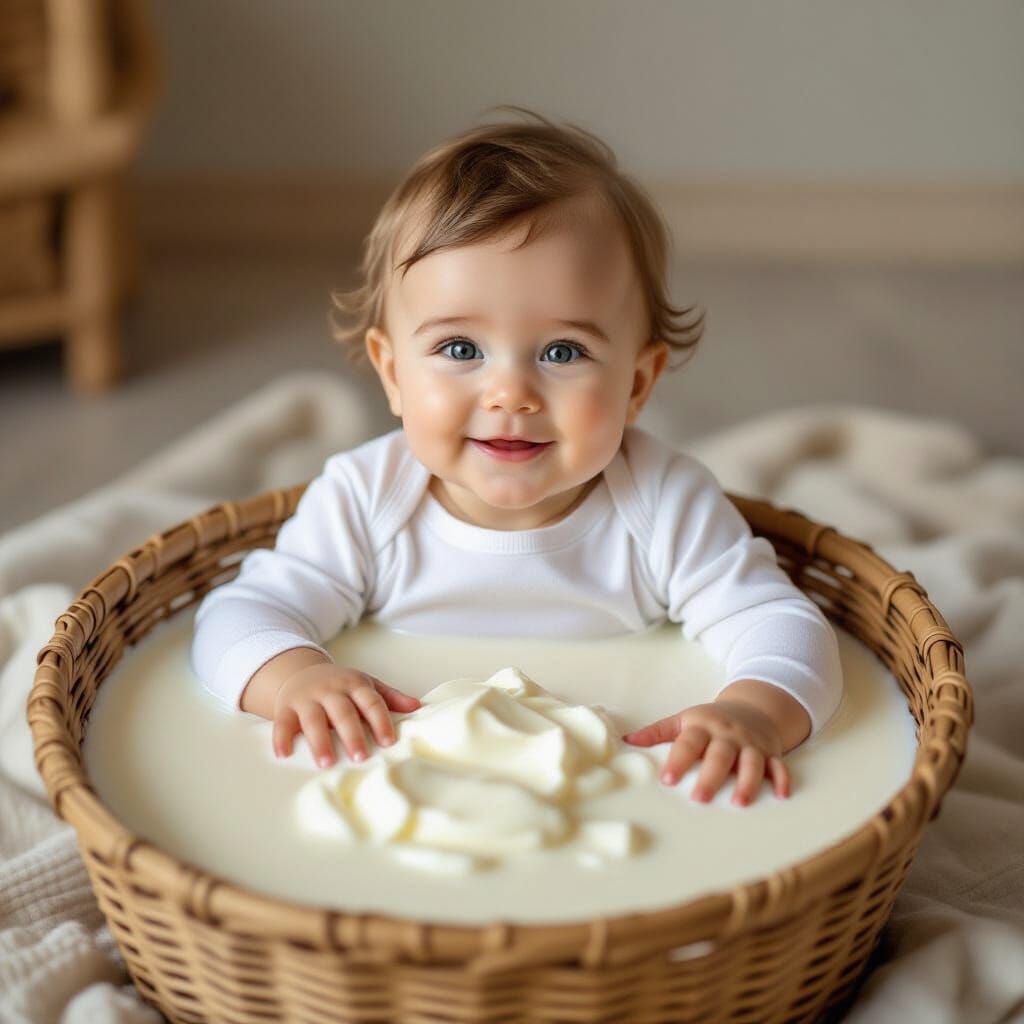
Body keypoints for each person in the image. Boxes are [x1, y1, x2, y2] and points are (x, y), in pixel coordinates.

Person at [190, 105, 842, 808]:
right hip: (404, 797)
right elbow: (237, 617)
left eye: (563, 352)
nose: (510, 393)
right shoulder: (366, 499)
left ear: (638, 382)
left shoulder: (663, 503)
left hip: (615, 803)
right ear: (392, 373)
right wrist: (295, 679)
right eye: (460, 349)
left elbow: (784, 627)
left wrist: (752, 712)